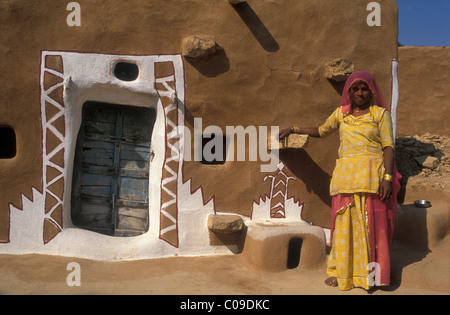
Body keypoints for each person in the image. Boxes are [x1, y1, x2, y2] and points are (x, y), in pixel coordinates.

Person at [279, 71, 401, 291]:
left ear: (371, 91)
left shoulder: (380, 115)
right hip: (345, 178)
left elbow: (388, 147)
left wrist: (388, 177)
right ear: (349, 92)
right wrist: (294, 129)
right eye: (355, 89)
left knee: (370, 227)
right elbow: (322, 130)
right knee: (344, 227)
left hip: (371, 177)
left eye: (364, 88)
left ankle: (370, 276)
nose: (360, 93)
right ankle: (342, 272)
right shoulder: (341, 114)